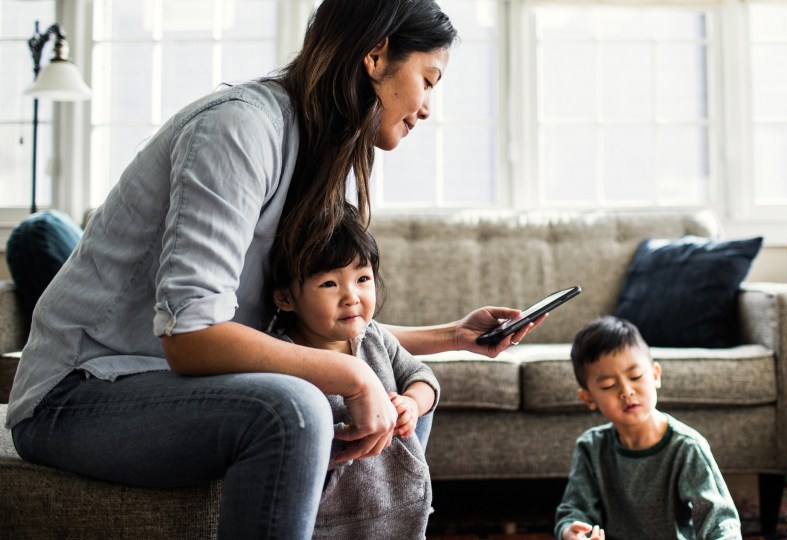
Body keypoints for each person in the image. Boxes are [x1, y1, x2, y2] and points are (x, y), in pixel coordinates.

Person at [4, 2, 537, 539]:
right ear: (376, 56)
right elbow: (190, 335)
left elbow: (320, 323)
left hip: (167, 383)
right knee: (296, 407)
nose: (426, 108)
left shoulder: (318, 155)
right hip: (77, 393)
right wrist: (352, 375)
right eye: (428, 79)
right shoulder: (239, 129)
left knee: (402, 400)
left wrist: (454, 337)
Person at [266, 203, 439, 536]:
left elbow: (422, 377)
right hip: (324, 513)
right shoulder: (282, 355)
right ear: (286, 298)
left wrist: (412, 404)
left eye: (362, 279)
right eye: (330, 284)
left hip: (396, 500)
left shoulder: (373, 337)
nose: (352, 297)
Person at [556, 316, 741, 540]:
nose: (626, 391)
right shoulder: (591, 447)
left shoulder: (687, 447)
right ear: (588, 398)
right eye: (608, 386)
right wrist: (571, 531)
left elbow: (720, 522)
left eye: (635, 376)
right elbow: (574, 509)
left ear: (655, 375)